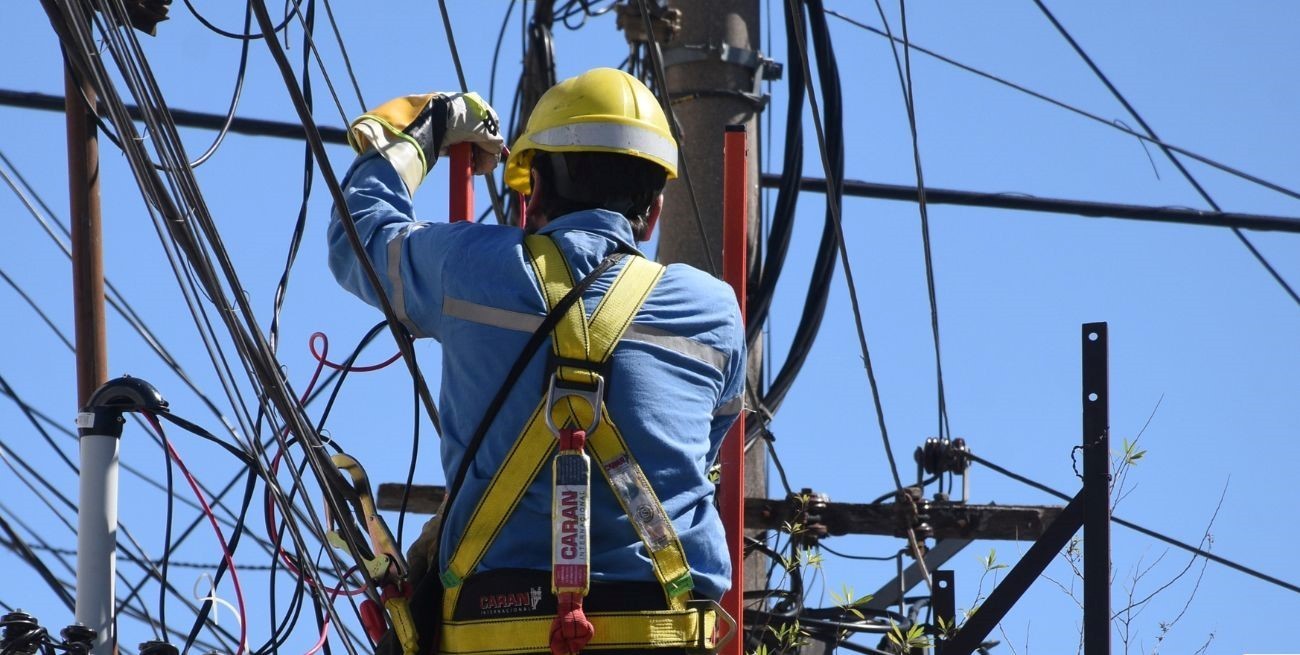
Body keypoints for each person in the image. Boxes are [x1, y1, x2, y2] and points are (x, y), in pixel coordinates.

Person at [328, 68, 744, 655]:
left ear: (536, 189)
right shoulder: (713, 312)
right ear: (652, 212)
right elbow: (701, 449)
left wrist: (427, 129)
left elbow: (357, 237)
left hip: (492, 629)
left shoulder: (469, 268)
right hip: (663, 634)